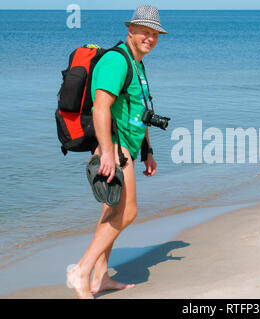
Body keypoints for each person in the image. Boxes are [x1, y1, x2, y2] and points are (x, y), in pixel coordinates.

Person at [66, 5, 168, 299]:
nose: (150, 38)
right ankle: (81, 272)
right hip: (115, 149)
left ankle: (101, 277)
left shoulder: (138, 64)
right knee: (128, 212)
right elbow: (100, 107)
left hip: (128, 148)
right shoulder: (116, 61)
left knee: (110, 212)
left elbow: (140, 112)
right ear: (130, 31)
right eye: (144, 32)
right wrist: (108, 154)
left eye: (154, 34)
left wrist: (148, 150)